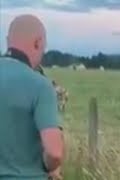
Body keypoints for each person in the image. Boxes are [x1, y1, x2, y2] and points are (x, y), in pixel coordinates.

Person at [0, 15, 64, 179]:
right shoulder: (40, 85)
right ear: (38, 42)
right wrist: (49, 167)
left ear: (8, 41)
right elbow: (54, 152)